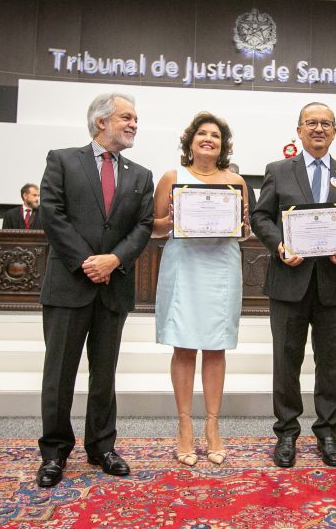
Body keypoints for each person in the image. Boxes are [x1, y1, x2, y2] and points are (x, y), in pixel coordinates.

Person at [36, 92, 154, 487]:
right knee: (60, 374)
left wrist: (114, 260)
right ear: (101, 121)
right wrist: (89, 261)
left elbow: (142, 226)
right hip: (69, 284)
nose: (134, 123)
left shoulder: (140, 175)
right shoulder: (62, 159)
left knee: (104, 374)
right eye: (127, 117)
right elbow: (51, 213)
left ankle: (102, 447)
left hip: (113, 288)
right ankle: (54, 453)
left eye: (135, 118)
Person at [251, 102, 336, 468]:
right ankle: (286, 432)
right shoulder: (278, 170)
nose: (318, 129)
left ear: (335, 131)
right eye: (311, 123)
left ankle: (328, 432)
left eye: (326, 124)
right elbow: (260, 216)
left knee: (329, 362)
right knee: (286, 361)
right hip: (289, 282)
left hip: (332, 284)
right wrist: (279, 246)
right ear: (299, 130)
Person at [152, 112, 250, 467]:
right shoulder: (171, 177)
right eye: (202, 134)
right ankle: (184, 427)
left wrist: (238, 224)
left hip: (221, 266)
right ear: (190, 141)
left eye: (215, 135)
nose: (209, 139)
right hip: (184, 265)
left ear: (223, 145)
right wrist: (176, 218)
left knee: (215, 346)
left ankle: (212, 427)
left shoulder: (236, 180)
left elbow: (246, 230)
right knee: (183, 344)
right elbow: (154, 227)